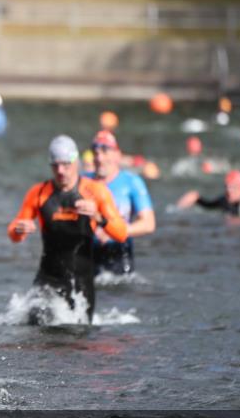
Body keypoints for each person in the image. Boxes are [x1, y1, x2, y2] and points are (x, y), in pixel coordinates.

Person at [8, 135, 128, 323]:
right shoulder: (38, 193)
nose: (60, 171)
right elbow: (14, 234)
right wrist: (19, 229)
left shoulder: (96, 191)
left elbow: (121, 234)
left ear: (76, 162)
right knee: (37, 325)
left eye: (66, 165)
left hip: (82, 285)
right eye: (55, 166)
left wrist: (98, 216)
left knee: (78, 335)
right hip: (47, 280)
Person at [88, 130, 155, 275]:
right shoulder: (83, 181)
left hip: (119, 256)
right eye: (95, 152)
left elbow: (148, 224)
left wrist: (115, 231)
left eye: (105, 151)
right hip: (87, 255)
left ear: (117, 155)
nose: (99, 158)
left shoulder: (131, 182)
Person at [176, 169, 240, 220]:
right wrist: (196, 198)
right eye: (227, 187)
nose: (229, 191)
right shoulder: (224, 199)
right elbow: (208, 206)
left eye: (233, 187)